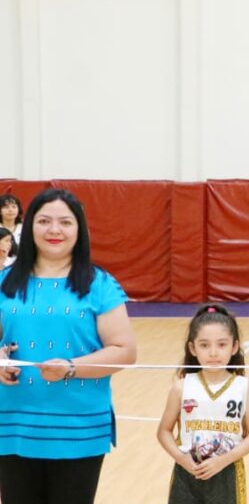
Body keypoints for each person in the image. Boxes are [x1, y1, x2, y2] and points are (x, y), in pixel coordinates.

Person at [0, 189, 137, 504]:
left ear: (80, 230)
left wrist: (72, 368)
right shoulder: (4, 282)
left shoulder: (99, 284)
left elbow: (124, 350)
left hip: (79, 426)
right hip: (14, 423)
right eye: (44, 221)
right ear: (30, 225)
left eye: (65, 222)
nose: (54, 230)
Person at [158, 304, 249, 504]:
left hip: (227, 471)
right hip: (187, 472)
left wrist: (223, 460)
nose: (213, 353)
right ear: (192, 348)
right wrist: (182, 459)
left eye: (222, 345)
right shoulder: (181, 387)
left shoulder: (243, 387)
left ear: (234, 347)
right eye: (204, 345)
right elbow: (164, 431)